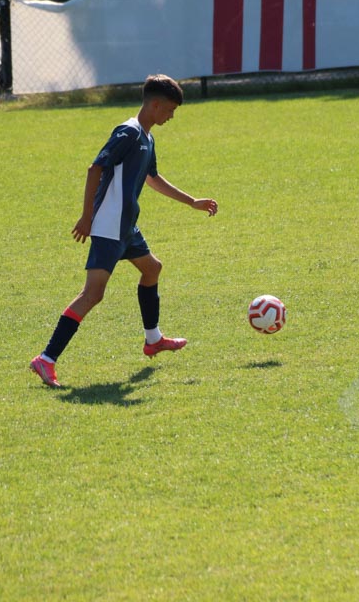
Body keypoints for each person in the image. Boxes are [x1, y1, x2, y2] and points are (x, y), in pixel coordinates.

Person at [30, 74, 219, 388]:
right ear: (155, 105)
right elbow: (95, 168)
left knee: (152, 269)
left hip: (126, 225)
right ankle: (46, 359)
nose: (171, 116)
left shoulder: (147, 137)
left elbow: (152, 178)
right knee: (93, 294)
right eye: (170, 110)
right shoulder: (128, 132)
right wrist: (87, 217)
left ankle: (153, 339)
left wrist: (191, 202)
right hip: (109, 225)